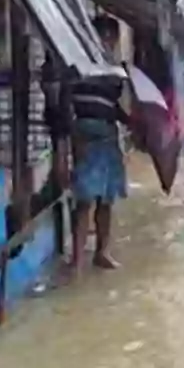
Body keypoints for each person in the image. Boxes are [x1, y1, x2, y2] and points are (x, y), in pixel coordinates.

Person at [70, 16, 131, 271]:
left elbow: (113, 106)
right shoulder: (78, 63)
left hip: (107, 134)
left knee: (106, 199)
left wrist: (131, 121)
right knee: (84, 199)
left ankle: (101, 252)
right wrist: (69, 142)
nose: (109, 43)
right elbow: (66, 101)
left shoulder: (115, 69)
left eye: (112, 39)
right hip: (85, 134)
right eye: (105, 37)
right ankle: (77, 257)